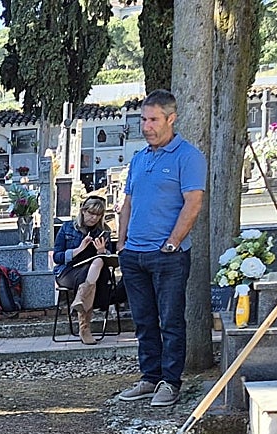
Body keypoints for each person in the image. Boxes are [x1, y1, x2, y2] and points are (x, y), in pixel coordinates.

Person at [116, 89, 207, 408]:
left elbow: (193, 203)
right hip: (134, 255)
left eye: (153, 120)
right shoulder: (139, 158)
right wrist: (121, 243)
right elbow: (127, 202)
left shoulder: (188, 156)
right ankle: (149, 378)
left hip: (168, 256)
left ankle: (170, 382)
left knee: (170, 321)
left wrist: (173, 243)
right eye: (143, 119)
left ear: (171, 118)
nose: (146, 126)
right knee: (143, 321)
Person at [52, 194, 115, 345]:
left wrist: (102, 252)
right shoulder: (67, 228)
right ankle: (84, 328)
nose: (94, 218)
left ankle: (81, 302)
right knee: (88, 274)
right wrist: (79, 250)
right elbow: (57, 257)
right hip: (68, 271)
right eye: (91, 213)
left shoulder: (103, 231)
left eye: (98, 215)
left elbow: (111, 258)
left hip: (94, 272)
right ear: (83, 211)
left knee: (99, 261)